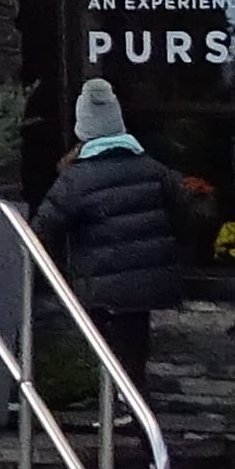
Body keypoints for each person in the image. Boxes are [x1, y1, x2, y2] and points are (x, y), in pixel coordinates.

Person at [30, 77, 193, 396]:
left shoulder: (76, 179)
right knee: (134, 355)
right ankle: (135, 419)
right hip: (149, 283)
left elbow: (40, 232)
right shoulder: (155, 170)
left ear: (83, 129)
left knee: (110, 353)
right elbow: (186, 219)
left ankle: (119, 415)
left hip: (101, 287)